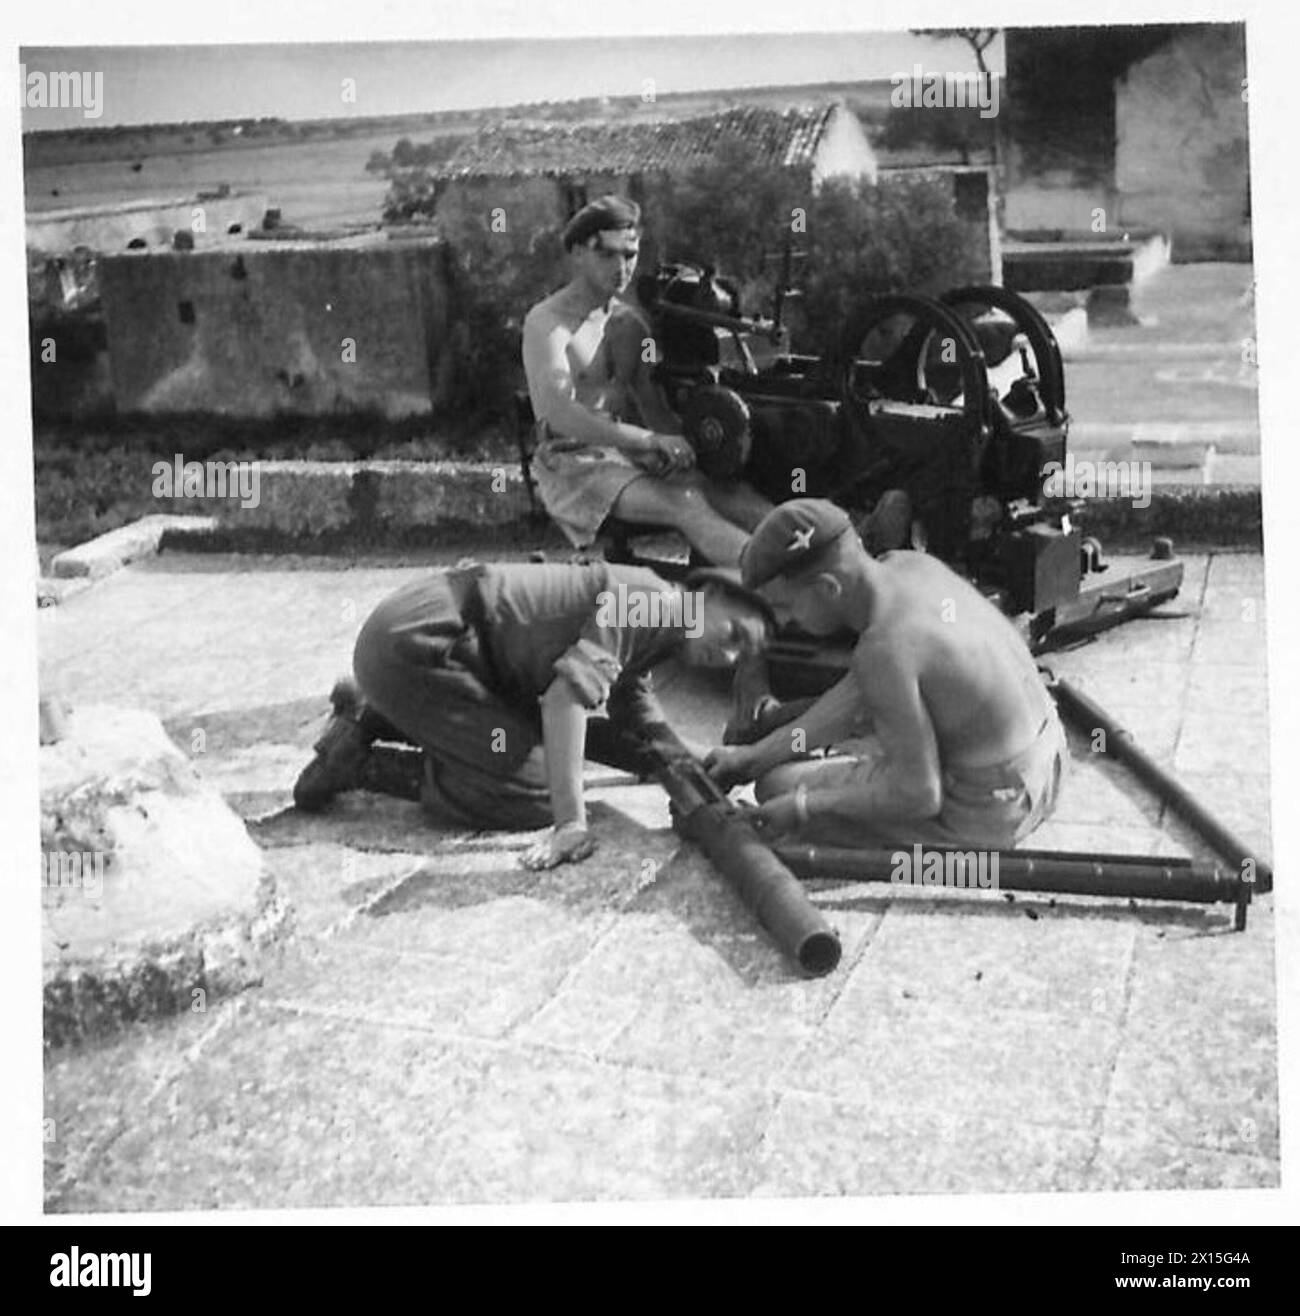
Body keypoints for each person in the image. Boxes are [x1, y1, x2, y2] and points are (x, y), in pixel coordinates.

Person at [293, 559, 774, 870]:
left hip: (421, 640)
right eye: (734, 634)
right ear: (706, 594)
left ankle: (373, 709)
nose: (730, 658)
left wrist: (711, 760)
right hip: (421, 648)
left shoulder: (660, 615)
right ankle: (360, 764)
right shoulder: (652, 604)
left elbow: (639, 717)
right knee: (537, 784)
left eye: (743, 655)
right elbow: (566, 701)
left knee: (536, 743)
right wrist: (570, 823)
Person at [704, 499, 1067, 849]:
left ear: (829, 588)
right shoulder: (908, 566)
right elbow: (853, 697)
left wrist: (803, 806)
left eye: (785, 605)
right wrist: (752, 757)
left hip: (991, 811)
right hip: (1048, 766)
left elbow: (919, 795)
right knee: (794, 762)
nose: (783, 620)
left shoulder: (885, 649)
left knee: (776, 787)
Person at [521, 194, 772, 567]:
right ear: (576, 253)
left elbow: (649, 400)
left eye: (630, 255)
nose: (621, 267)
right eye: (606, 254)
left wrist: (688, 453)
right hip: (571, 466)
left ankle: (829, 559)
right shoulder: (547, 323)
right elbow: (560, 414)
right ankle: (777, 585)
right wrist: (649, 440)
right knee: (685, 504)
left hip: (625, 456)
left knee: (725, 491)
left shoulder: (632, 325)